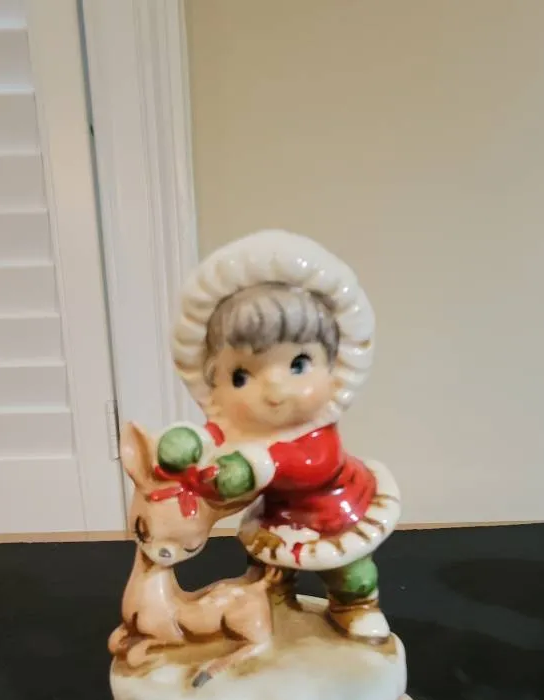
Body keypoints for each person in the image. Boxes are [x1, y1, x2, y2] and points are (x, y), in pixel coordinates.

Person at [155, 232, 400, 642]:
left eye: (298, 364)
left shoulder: (317, 433)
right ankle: (273, 599)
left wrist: (253, 467)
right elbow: (217, 439)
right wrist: (189, 442)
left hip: (332, 510)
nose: (274, 390)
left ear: (334, 365)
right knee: (268, 566)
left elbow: (316, 467)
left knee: (349, 569)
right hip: (277, 516)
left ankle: (355, 605)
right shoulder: (242, 427)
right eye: (241, 376)